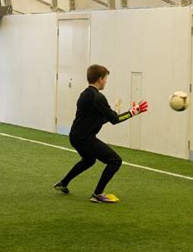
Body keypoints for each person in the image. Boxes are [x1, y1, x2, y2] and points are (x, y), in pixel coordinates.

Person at [54, 64, 148, 203]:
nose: (106, 81)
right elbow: (114, 120)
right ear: (99, 79)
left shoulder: (85, 94)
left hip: (75, 136)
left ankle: (63, 183)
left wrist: (114, 114)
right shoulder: (98, 97)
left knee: (89, 160)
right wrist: (133, 112)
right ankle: (97, 194)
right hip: (85, 139)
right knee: (115, 161)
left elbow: (96, 119)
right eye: (105, 79)